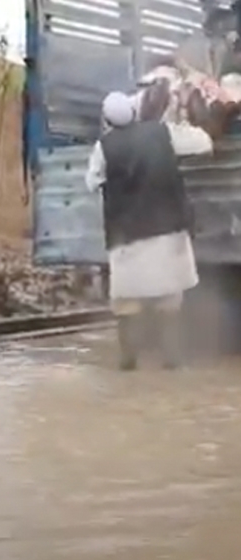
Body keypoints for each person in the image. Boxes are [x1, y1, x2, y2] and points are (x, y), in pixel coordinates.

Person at [85, 90, 212, 370]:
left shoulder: (103, 147)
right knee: (169, 301)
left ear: (106, 120)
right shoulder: (162, 132)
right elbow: (203, 143)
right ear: (133, 113)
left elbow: (92, 182)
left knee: (127, 304)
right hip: (168, 232)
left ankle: (129, 363)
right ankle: (172, 361)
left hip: (126, 238)